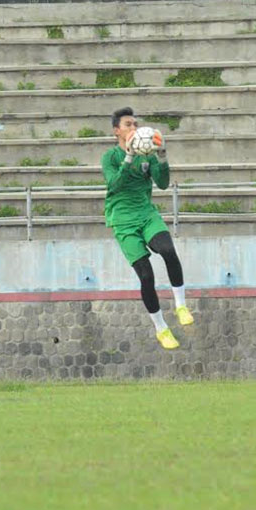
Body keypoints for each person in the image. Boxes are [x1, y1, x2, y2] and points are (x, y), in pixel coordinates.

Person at [101, 106, 193, 350]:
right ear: (116, 131)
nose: (134, 127)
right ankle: (161, 328)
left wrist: (161, 156)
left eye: (135, 123)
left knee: (168, 250)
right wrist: (129, 157)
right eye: (128, 124)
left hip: (146, 213)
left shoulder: (148, 153)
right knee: (146, 275)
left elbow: (162, 184)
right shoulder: (110, 157)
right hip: (122, 220)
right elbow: (114, 185)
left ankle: (181, 305)